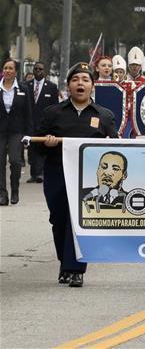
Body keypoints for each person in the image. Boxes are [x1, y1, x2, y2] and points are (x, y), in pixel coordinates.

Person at [31, 62, 118, 287]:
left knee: (79, 220)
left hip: (89, 178)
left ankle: (76, 269)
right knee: (59, 220)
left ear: (92, 86)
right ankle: (65, 263)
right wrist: (47, 143)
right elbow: (36, 145)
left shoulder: (104, 116)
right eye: (76, 80)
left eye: (85, 80)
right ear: (69, 85)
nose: (80, 84)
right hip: (57, 173)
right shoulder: (53, 113)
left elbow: (116, 148)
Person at [1, 59, 33, 205]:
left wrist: (28, 134)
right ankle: (2, 194)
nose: (7, 71)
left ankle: (15, 190)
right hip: (0, 131)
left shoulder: (23, 89)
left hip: (17, 131)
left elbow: (28, 113)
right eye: (5, 68)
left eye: (10, 68)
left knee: (15, 160)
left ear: (16, 72)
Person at [26, 60, 58, 184]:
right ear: (33, 71)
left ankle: (40, 173)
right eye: (36, 69)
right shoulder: (26, 85)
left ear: (45, 72)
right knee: (31, 149)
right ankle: (33, 174)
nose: (38, 71)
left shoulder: (51, 87)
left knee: (42, 148)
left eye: (40, 69)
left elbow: (55, 107)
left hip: (44, 124)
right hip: (30, 123)